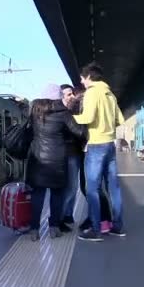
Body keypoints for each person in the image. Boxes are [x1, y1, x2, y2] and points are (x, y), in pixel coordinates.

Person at [73, 63, 126, 241]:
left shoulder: (92, 92)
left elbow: (87, 118)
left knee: (92, 189)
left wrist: (69, 117)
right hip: (110, 145)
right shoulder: (110, 94)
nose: (81, 81)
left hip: (96, 146)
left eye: (82, 78)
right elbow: (120, 119)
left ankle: (96, 229)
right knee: (114, 188)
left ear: (88, 77)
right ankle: (117, 227)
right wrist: (107, 127)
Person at [27, 84, 86, 241]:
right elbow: (79, 132)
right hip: (57, 161)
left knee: (37, 196)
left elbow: (28, 131)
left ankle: (34, 229)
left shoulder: (34, 111)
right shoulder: (63, 113)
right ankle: (54, 227)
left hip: (37, 160)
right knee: (57, 194)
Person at [71, 87, 113, 233]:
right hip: (98, 148)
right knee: (93, 187)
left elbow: (82, 129)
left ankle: (100, 220)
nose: (71, 97)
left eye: (72, 94)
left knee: (89, 187)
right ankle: (103, 219)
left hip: (90, 150)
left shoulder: (84, 105)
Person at [59, 84, 84, 232]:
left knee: (73, 187)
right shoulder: (62, 113)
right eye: (68, 94)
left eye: (72, 93)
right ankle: (61, 217)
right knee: (70, 187)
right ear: (61, 97)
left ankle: (68, 214)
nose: (72, 96)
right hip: (69, 153)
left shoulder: (74, 109)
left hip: (77, 151)